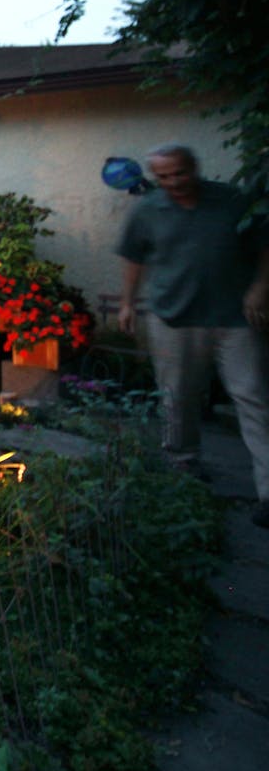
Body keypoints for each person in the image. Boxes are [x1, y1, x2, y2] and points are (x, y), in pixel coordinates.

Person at [117, 143, 269, 528]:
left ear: (195, 167)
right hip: (174, 317)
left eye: (179, 173)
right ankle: (183, 465)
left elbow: (264, 245)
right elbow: (134, 257)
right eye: (163, 177)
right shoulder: (148, 209)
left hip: (235, 318)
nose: (173, 182)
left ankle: (268, 492)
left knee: (253, 398)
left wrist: (260, 288)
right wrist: (127, 303)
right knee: (178, 397)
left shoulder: (232, 200)